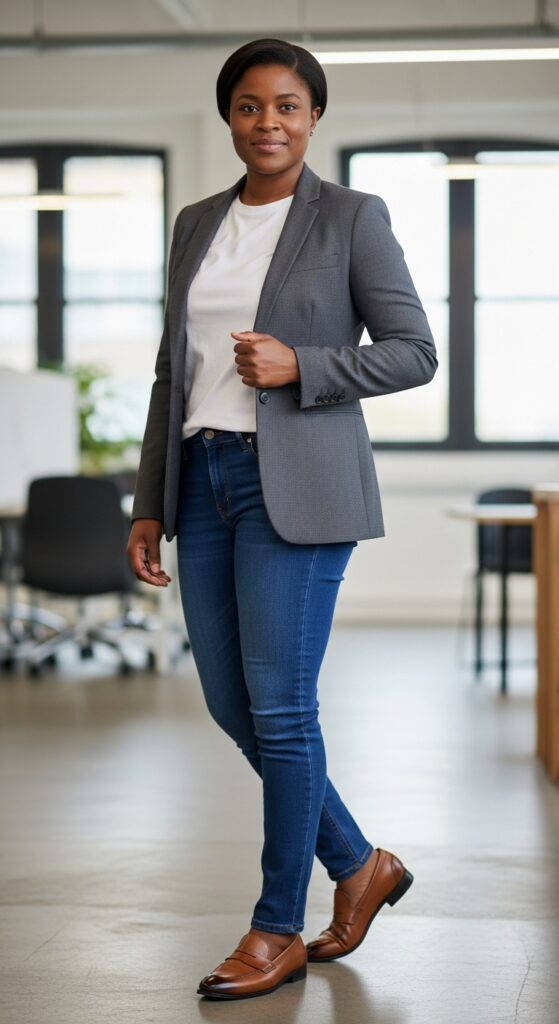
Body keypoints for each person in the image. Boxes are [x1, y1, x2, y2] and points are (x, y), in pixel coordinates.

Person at [126, 36, 437, 1001]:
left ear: (313, 117)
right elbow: (173, 371)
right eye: (252, 106)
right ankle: (359, 861)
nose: (269, 123)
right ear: (230, 116)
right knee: (230, 701)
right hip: (202, 477)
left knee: (282, 708)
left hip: (293, 484)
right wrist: (149, 500)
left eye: (289, 106)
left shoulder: (351, 217)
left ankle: (275, 928)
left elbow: (413, 352)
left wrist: (306, 365)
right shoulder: (194, 223)